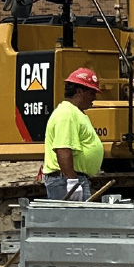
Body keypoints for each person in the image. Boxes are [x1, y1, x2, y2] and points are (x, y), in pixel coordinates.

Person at [42, 68, 106, 201]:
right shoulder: (67, 114)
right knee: (73, 221)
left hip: (72, 178)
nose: (94, 97)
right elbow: (63, 149)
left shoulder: (75, 113)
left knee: (78, 221)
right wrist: (72, 181)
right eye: (92, 92)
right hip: (66, 180)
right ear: (79, 92)